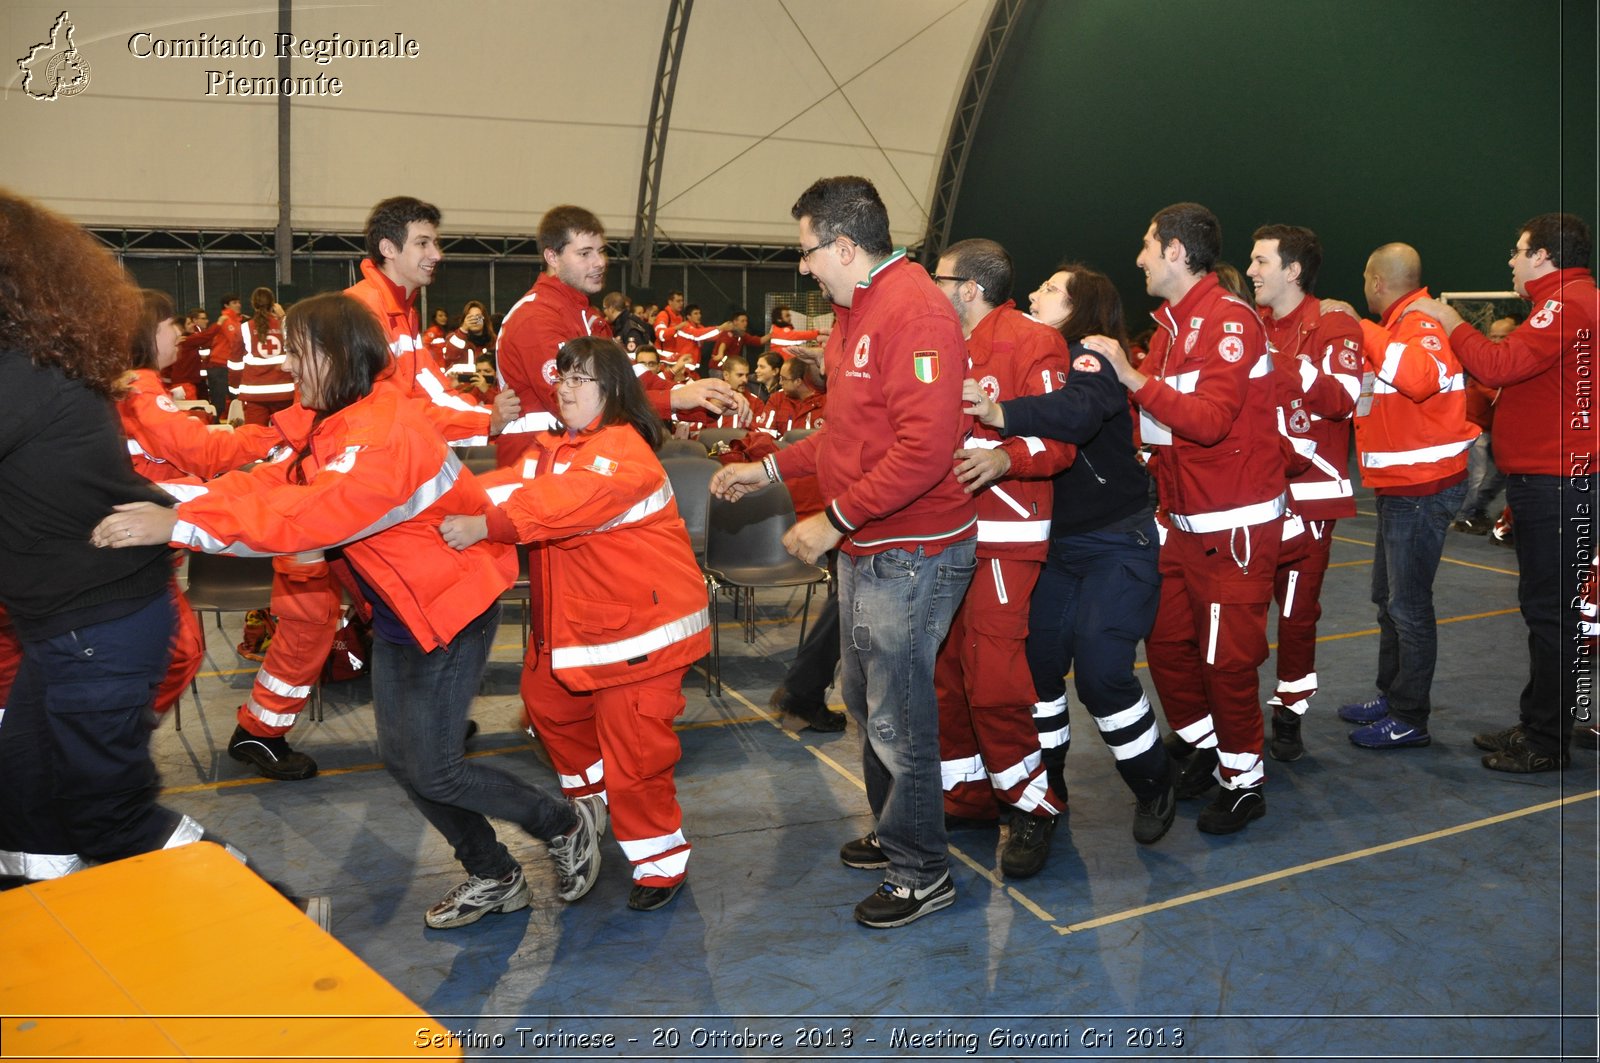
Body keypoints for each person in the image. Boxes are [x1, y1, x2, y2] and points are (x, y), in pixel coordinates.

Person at [94, 293, 602, 928]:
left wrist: (181, 524)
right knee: (404, 759)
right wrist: (181, 513)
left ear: (335, 357)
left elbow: (307, 515)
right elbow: (271, 482)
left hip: (450, 608)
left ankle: (561, 825)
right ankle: (495, 874)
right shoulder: (333, 415)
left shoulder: (380, 437)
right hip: (403, 609)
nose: (289, 366)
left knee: (436, 770)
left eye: (299, 352)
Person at [712, 175, 976, 928]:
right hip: (873, 544)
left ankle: (922, 869)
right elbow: (849, 433)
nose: (803, 266)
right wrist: (766, 468)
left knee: (897, 714)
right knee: (866, 701)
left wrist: (832, 518)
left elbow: (925, 451)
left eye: (808, 251)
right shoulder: (857, 312)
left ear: (847, 246)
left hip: (913, 547)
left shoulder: (916, 311)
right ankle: (900, 830)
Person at [0, 190, 231, 881]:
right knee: (22, 807)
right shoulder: (39, 363)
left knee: (114, 817)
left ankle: (275, 910)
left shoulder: (23, 376)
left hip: (96, 628)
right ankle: (57, 936)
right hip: (68, 627)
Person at [442, 337, 709, 912]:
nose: (564, 387)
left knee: (634, 755)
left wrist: (486, 524)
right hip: (576, 627)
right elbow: (513, 483)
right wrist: (437, 498)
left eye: (580, 379)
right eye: (562, 376)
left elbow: (561, 502)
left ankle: (660, 862)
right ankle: (591, 804)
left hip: (642, 633)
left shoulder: (622, 454)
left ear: (610, 390)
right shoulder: (555, 447)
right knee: (549, 709)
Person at [1087, 203, 1286, 835]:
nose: (1140, 258)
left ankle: (1243, 778)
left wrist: (1129, 376)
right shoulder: (1175, 327)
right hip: (1181, 518)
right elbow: (1164, 425)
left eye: (1147, 246)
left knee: (1226, 661)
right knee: (1168, 641)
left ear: (1175, 250)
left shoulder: (1229, 320)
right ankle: (1204, 743)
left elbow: (1207, 420)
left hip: (1234, 526)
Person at [965, 264, 1176, 845]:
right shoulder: (1036, 356)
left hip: (1115, 540)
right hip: (1054, 544)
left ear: (1083, 306)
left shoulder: (1090, 356)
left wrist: (999, 411)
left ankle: (1152, 781)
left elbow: (1079, 414)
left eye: (1051, 289)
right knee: (1036, 669)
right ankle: (1045, 801)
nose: (1034, 292)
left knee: (1104, 672)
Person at [1407, 213, 1599, 772]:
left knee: (1551, 613)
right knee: (1550, 611)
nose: (1511, 262)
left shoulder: (1568, 303)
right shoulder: (1565, 305)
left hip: (1558, 484)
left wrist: (1449, 320)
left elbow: (1500, 362)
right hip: (1555, 481)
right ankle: (1541, 722)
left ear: (1543, 256)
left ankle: (1546, 741)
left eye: (1518, 252)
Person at [928, 239, 1071, 878]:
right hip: (942, 535)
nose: (928, 287)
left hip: (1006, 538)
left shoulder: (1034, 342)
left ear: (968, 286)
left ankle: (1033, 805)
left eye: (939, 278)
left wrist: (1005, 457)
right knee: (946, 678)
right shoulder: (937, 341)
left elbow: (1062, 439)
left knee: (994, 680)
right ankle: (968, 797)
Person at [1322, 244, 1477, 751]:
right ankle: (1393, 696)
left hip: (1422, 489)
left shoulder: (1418, 323)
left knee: (1408, 607)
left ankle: (1410, 715)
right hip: (1402, 488)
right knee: (1388, 602)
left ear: (1378, 282)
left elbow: (1421, 378)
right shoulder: (1399, 327)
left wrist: (1359, 327)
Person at [118, 289, 279, 722]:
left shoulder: (135, 387)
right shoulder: (139, 389)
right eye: (171, 325)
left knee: (181, 652)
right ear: (147, 330)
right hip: (138, 548)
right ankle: (106, 748)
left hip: (144, 543)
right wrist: (277, 433)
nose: (182, 333)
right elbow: (201, 454)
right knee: (181, 652)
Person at [496, 206, 744, 469]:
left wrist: (703, 399)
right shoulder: (535, 318)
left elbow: (632, 378)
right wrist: (676, 399)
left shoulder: (587, 317)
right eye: (584, 253)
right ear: (552, 256)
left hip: (579, 460)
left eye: (601, 251)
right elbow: (571, 402)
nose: (600, 262)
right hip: (538, 468)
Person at [1245, 225, 1361, 760]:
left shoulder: (1333, 322)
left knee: (1296, 613)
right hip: (1247, 492)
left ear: (1293, 270)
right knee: (1235, 606)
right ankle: (1232, 710)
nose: (1251, 271)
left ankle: (1289, 710)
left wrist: (1276, 359)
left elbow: (1341, 398)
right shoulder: (1250, 324)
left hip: (1310, 495)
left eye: (1261, 261)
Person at [1452, 316, 1516, 534]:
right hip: (1473, 428)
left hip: (1495, 430)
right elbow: (1499, 396)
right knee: (1476, 474)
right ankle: (1464, 516)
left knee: (1503, 471)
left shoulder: (1511, 360)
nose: (1496, 340)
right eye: (1493, 335)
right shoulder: (1485, 362)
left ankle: (1476, 508)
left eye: (1503, 336)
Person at [234, 287, 294, 426]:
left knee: (254, 437)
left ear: (253, 304)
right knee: (284, 435)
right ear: (273, 304)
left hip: (254, 394)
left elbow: (235, 363)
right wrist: (283, 316)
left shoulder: (244, 328)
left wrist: (235, 389)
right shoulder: (286, 326)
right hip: (284, 393)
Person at [759, 357, 827, 435]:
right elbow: (762, 434)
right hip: (781, 447)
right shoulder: (777, 399)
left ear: (798, 381)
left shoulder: (827, 403)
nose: (780, 383)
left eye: (783, 379)